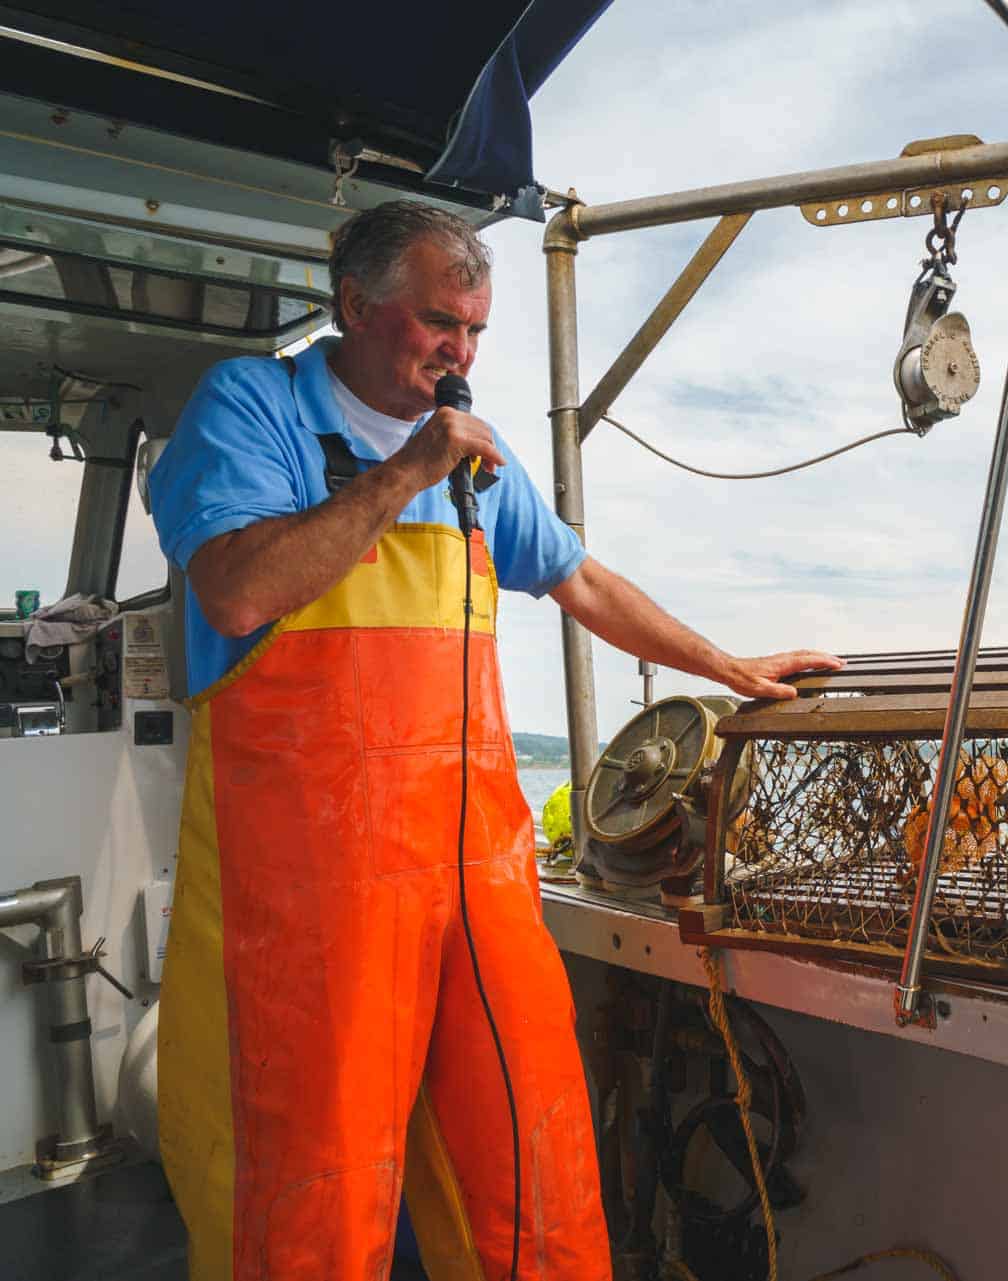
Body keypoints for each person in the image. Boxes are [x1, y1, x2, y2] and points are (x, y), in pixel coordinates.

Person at [148, 200, 839, 1280]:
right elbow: (236, 592)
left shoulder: (478, 456)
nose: (459, 353)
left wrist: (729, 669)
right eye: (437, 324)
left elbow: (582, 578)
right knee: (307, 1189)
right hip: (309, 900)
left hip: (475, 880)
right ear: (355, 308)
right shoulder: (256, 407)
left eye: (474, 332)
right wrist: (404, 476)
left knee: (536, 1155)